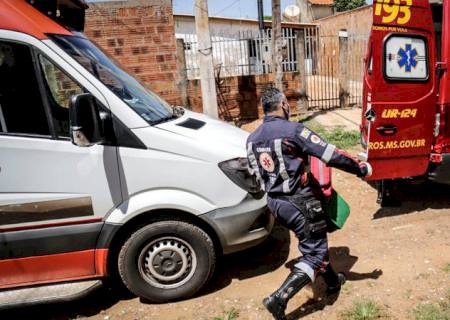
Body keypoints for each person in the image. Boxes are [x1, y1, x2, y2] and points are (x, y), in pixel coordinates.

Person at [246, 87, 371, 320]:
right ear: (283, 104)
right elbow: (330, 154)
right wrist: (360, 168)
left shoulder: (251, 139)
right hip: (299, 203)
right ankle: (279, 298)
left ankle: (333, 282)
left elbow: (255, 174)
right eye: (287, 103)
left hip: (274, 203)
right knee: (314, 253)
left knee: (313, 243)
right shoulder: (293, 131)